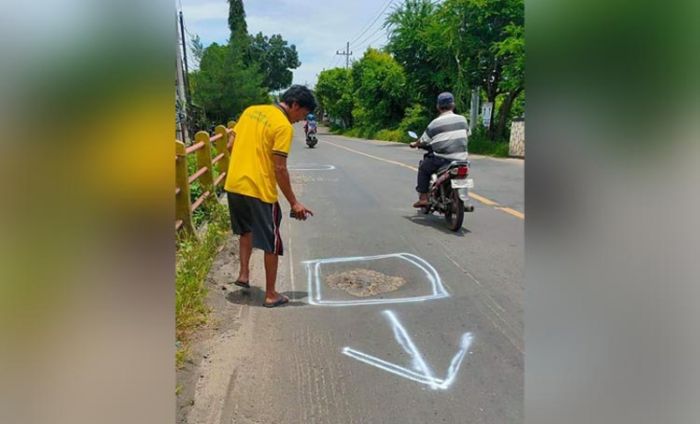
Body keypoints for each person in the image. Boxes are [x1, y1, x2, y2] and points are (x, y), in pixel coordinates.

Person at [224, 85, 317, 307]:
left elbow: (230, 145)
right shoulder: (283, 126)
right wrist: (294, 202)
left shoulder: (250, 111)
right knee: (271, 243)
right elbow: (280, 168)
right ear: (294, 105)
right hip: (259, 190)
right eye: (302, 114)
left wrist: (244, 164)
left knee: (245, 231)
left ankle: (244, 274)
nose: (299, 120)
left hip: (235, 184)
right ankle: (271, 294)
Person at [409, 92, 469, 208]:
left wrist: (415, 144)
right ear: (453, 105)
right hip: (462, 160)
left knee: (424, 168)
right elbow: (467, 134)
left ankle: (423, 198)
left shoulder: (435, 123)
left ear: (438, 106)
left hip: (443, 160)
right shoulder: (463, 120)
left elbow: (423, 140)